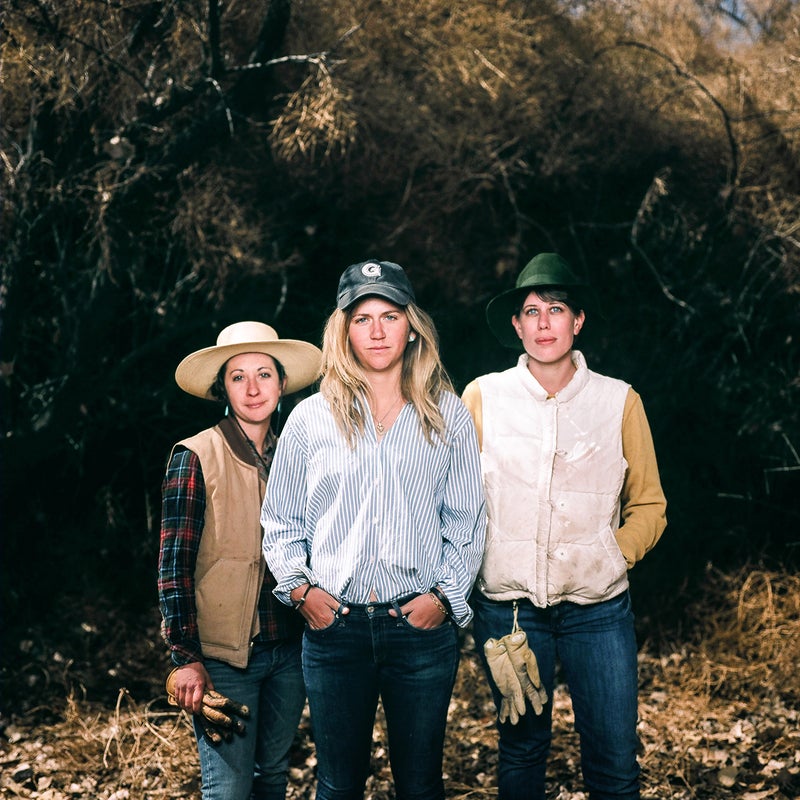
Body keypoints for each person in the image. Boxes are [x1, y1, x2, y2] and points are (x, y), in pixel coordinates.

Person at [260, 259, 486, 800]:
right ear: (344, 330)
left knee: (420, 784)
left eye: (390, 316)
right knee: (338, 785)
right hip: (336, 630)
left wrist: (444, 597)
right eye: (363, 318)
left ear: (412, 327)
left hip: (420, 631)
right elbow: (282, 520)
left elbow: (468, 521)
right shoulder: (310, 418)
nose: (377, 331)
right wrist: (301, 592)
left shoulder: (447, 415)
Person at [462, 253, 667, 800]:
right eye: (532, 311)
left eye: (556, 310)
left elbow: (649, 504)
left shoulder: (618, 400)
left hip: (597, 611)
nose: (544, 322)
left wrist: (612, 555)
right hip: (508, 609)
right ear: (516, 325)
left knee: (613, 757)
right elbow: (455, 499)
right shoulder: (483, 396)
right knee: (522, 751)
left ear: (578, 321)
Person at [158, 320, 322, 800]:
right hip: (225, 656)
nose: (253, 389)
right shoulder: (196, 455)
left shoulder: (303, 451)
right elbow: (173, 566)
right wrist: (185, 658)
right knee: (227, 788)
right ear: (221, 388)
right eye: (238, 376)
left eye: (264, 374)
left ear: (283, 383)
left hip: (290, 649)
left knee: (273, 776)